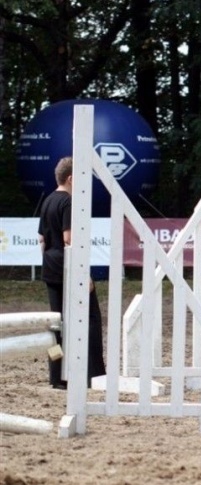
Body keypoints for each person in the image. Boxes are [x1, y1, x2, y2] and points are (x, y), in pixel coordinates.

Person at [38, 156, 106, 389]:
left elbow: (42, 240)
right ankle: (94, 374)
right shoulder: (68, 202)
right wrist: (83, 273)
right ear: (71, 178)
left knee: (56, 325)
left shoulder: (47, 200)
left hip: (50, 268)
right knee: (91, 319)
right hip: (68, 270)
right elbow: (69, 239)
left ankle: (56, 376)